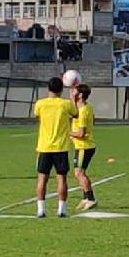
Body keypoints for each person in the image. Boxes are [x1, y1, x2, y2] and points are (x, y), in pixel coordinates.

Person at [32, 77, 78, 218]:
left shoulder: (40, 104)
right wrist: (73, 98)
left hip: (44, 147)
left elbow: (37, 116)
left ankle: (41, 210)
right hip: (60, 148)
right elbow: (76, 114)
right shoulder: (65, 104)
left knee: (42, 179)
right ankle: (61, 210)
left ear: (48, 88)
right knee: (61, 179)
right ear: (61, 89)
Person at [69, 83, 98, 212]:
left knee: (79, 173)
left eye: (74, 92)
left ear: (80, 95)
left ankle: (90, 199)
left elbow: (81, 133)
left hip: (84, 146)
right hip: (85, 145)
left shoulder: (83, 111)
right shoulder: (86, 107)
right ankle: (86, 198)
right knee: (81, 173)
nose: (71, 93)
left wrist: (67, 133)